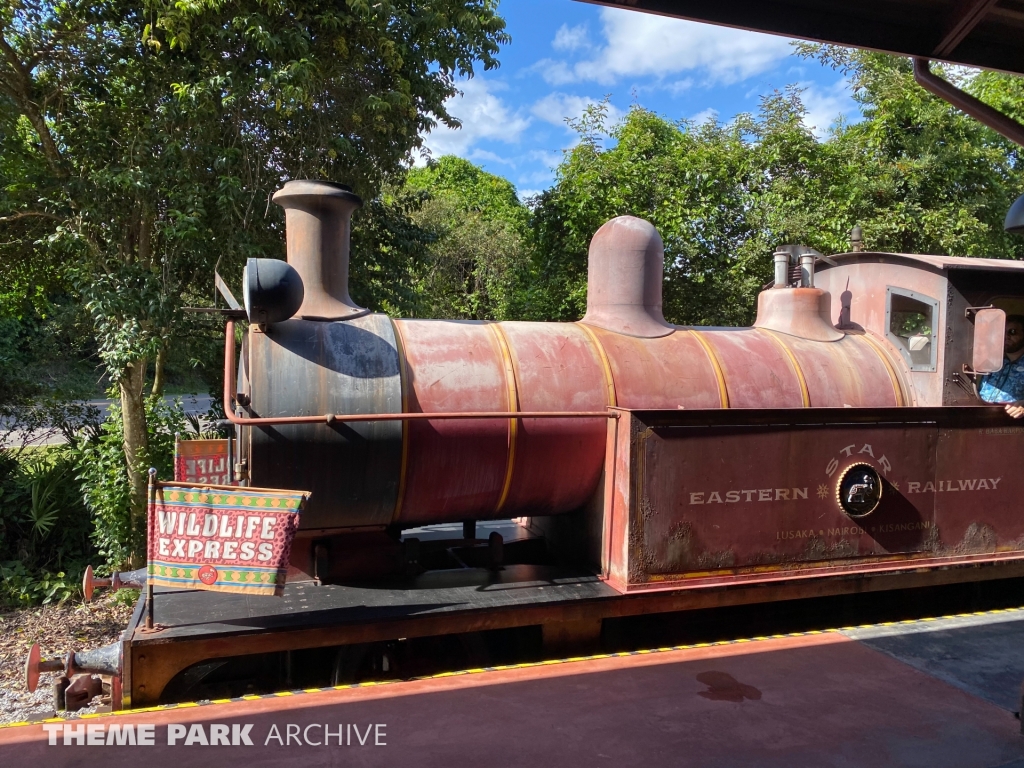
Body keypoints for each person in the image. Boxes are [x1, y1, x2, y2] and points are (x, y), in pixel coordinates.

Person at [979, 314, 1024, 418]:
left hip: (1012, 427)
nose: (1006, 336)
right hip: (982, 420)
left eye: (1012, 332)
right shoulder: (993, 362)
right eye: (1002, 332)